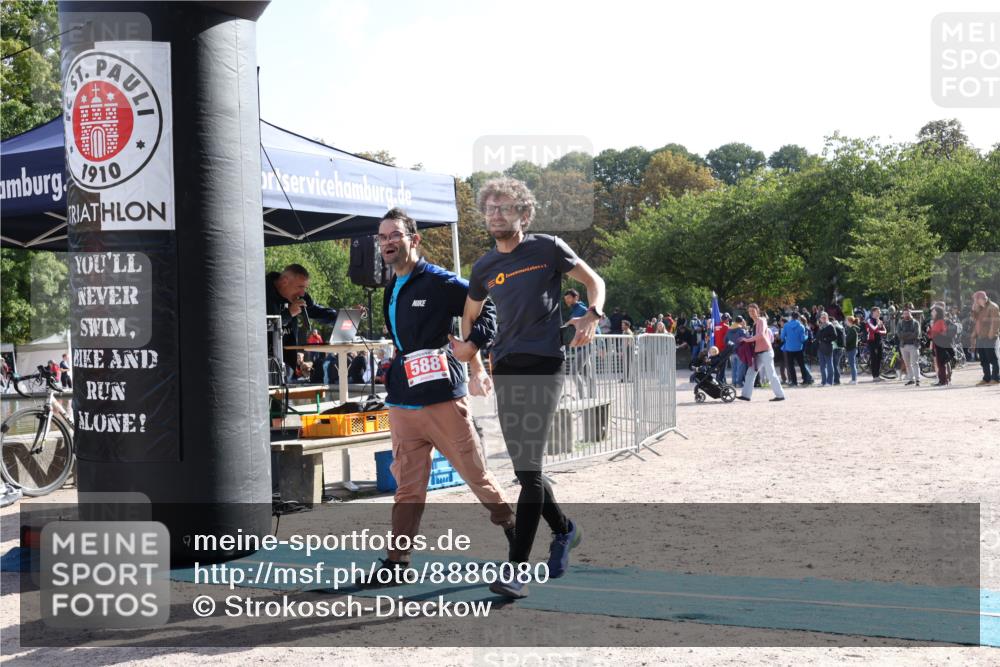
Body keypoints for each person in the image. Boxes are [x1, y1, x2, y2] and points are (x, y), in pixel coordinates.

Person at [461, 177, 605, 599]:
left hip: (545, 363)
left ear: (523, 214)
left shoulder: (548, 248)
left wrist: (592, 314)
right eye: (490, 209)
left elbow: (594, 280)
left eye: (505, 208)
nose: (496, 214)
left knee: (528, 471)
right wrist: (474, 364)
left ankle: (516, 571)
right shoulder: (484, 268)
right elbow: (468, 317)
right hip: (505, 367)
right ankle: (565, 530)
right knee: (529, 472)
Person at [358, 207, 515, 586]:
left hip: (443, 400)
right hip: (402, 402)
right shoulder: (392, 286)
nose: (387, 243)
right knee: (407, 486)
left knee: (476, 475)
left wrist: (473, 347)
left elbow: (487, 306)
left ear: (415, 240)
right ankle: (397, 561)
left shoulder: (441, 281)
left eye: (394, 235)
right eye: (382, 237)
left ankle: (517, 540)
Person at [265, 264, 340, 382]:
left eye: (305, 288)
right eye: (300, 287)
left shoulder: (300, 296)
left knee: (283, 399)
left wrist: (343, 316)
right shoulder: (263, 291)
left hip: (288, 364)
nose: (302, 293)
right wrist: (289, 313)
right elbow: (261, 325)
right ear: (284, 281)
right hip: (264, 364)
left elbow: (317, 312)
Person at [737, 303, 786, 402]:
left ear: (757, 311)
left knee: (771, 373)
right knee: (750, 373)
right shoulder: (755, 323)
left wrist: (747, 340)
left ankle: (780, 395)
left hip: (766, 352)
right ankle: (746, 395)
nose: (751, 313)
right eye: (749, 311)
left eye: (753, 310)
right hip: (758, 353)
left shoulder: (762, 320)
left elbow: (761, 335)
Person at [971, 290, 1000, 385]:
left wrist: (991, 335)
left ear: (981, 299)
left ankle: (995, 378)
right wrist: (974, 309)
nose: (975, 302)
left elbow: (996, 322)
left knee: (992, 358)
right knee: (983, 359)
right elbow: (974, 320)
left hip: (989, 337)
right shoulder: (980, 308)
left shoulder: (993, 307)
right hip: (981, 336)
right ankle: (986, 378)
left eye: (976, 300)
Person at [781, 314, 813, 387]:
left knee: (791, 366)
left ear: (791, 317)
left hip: (789, 348)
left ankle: (794, 382)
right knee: (801, 365)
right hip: (799, 348)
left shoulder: (786, 325)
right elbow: (802, 339)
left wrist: (788, 340)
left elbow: (782, 337)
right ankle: (805, 380)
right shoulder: (801, 326)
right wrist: (806, 336)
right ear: (798, 317)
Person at [928, 306, 952, 387]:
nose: (932, 313)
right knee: (940, 363)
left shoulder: (940, 321)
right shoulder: (936, 321)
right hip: (937, 343)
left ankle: (943, 380)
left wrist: (930, 331)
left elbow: (936, 333)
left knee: (941, 363)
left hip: (940, 344)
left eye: (934, 311)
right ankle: (942, 380)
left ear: (938, 313)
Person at [897, 308, 921, 386]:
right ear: (903, 315)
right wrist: (909, 334)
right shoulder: (900, 323)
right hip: (903, 346)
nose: (906, 315)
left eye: (908, 313)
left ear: (911, 314)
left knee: (915, 363)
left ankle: (917, 380)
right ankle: (911, 379)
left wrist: (905, 335)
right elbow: (899, 335)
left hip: (913, 346)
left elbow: (916, 334)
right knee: (907, 364)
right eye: (905, 313)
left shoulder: (915, 323)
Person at [864, 306, 888, 382]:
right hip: (872, 342)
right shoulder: (869, 320)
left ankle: (878, 375)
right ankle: (875, 376)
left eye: (879, 311)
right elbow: (873, 329)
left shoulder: (879, 320)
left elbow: (885, 331)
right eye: (878, 311)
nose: (879, 313)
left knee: (879, 358)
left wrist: (878, 330)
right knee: (874, 359)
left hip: (879, 341)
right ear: (873, 312)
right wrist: (878, 324)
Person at [725, 316, 748, 388]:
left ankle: (734, 383)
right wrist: (745, 327)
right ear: (741, 321)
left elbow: (725, 340)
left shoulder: (729, 330)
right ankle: (739, 383)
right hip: (740, 352)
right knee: (740, 368)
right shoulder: (741, 330)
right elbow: (746, 339)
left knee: (734, 368)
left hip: (732, 352)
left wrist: (731, 346)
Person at [815, 312, 837, 386]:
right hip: (820, 348)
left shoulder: (830, 326)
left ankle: (830, 381)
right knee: (822, 366)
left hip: (828, 347)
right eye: (822, 317)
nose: (823, 319)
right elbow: (818, 336)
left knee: (829, 365)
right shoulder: (821, 326)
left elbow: (834, 336)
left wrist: (825, 339)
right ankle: (823, 381)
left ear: (827, 318)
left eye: (825, 317)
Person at [843, 316, 860, 384]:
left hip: (852, 349)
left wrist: (844, 337)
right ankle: (854, 378)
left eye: (846, 321)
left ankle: (854, 379)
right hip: (852, 349)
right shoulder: (852, 329)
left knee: (852, 365)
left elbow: (848, 340)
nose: (845, 322)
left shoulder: (852, 329)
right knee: (853, 364)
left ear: (849, 321)